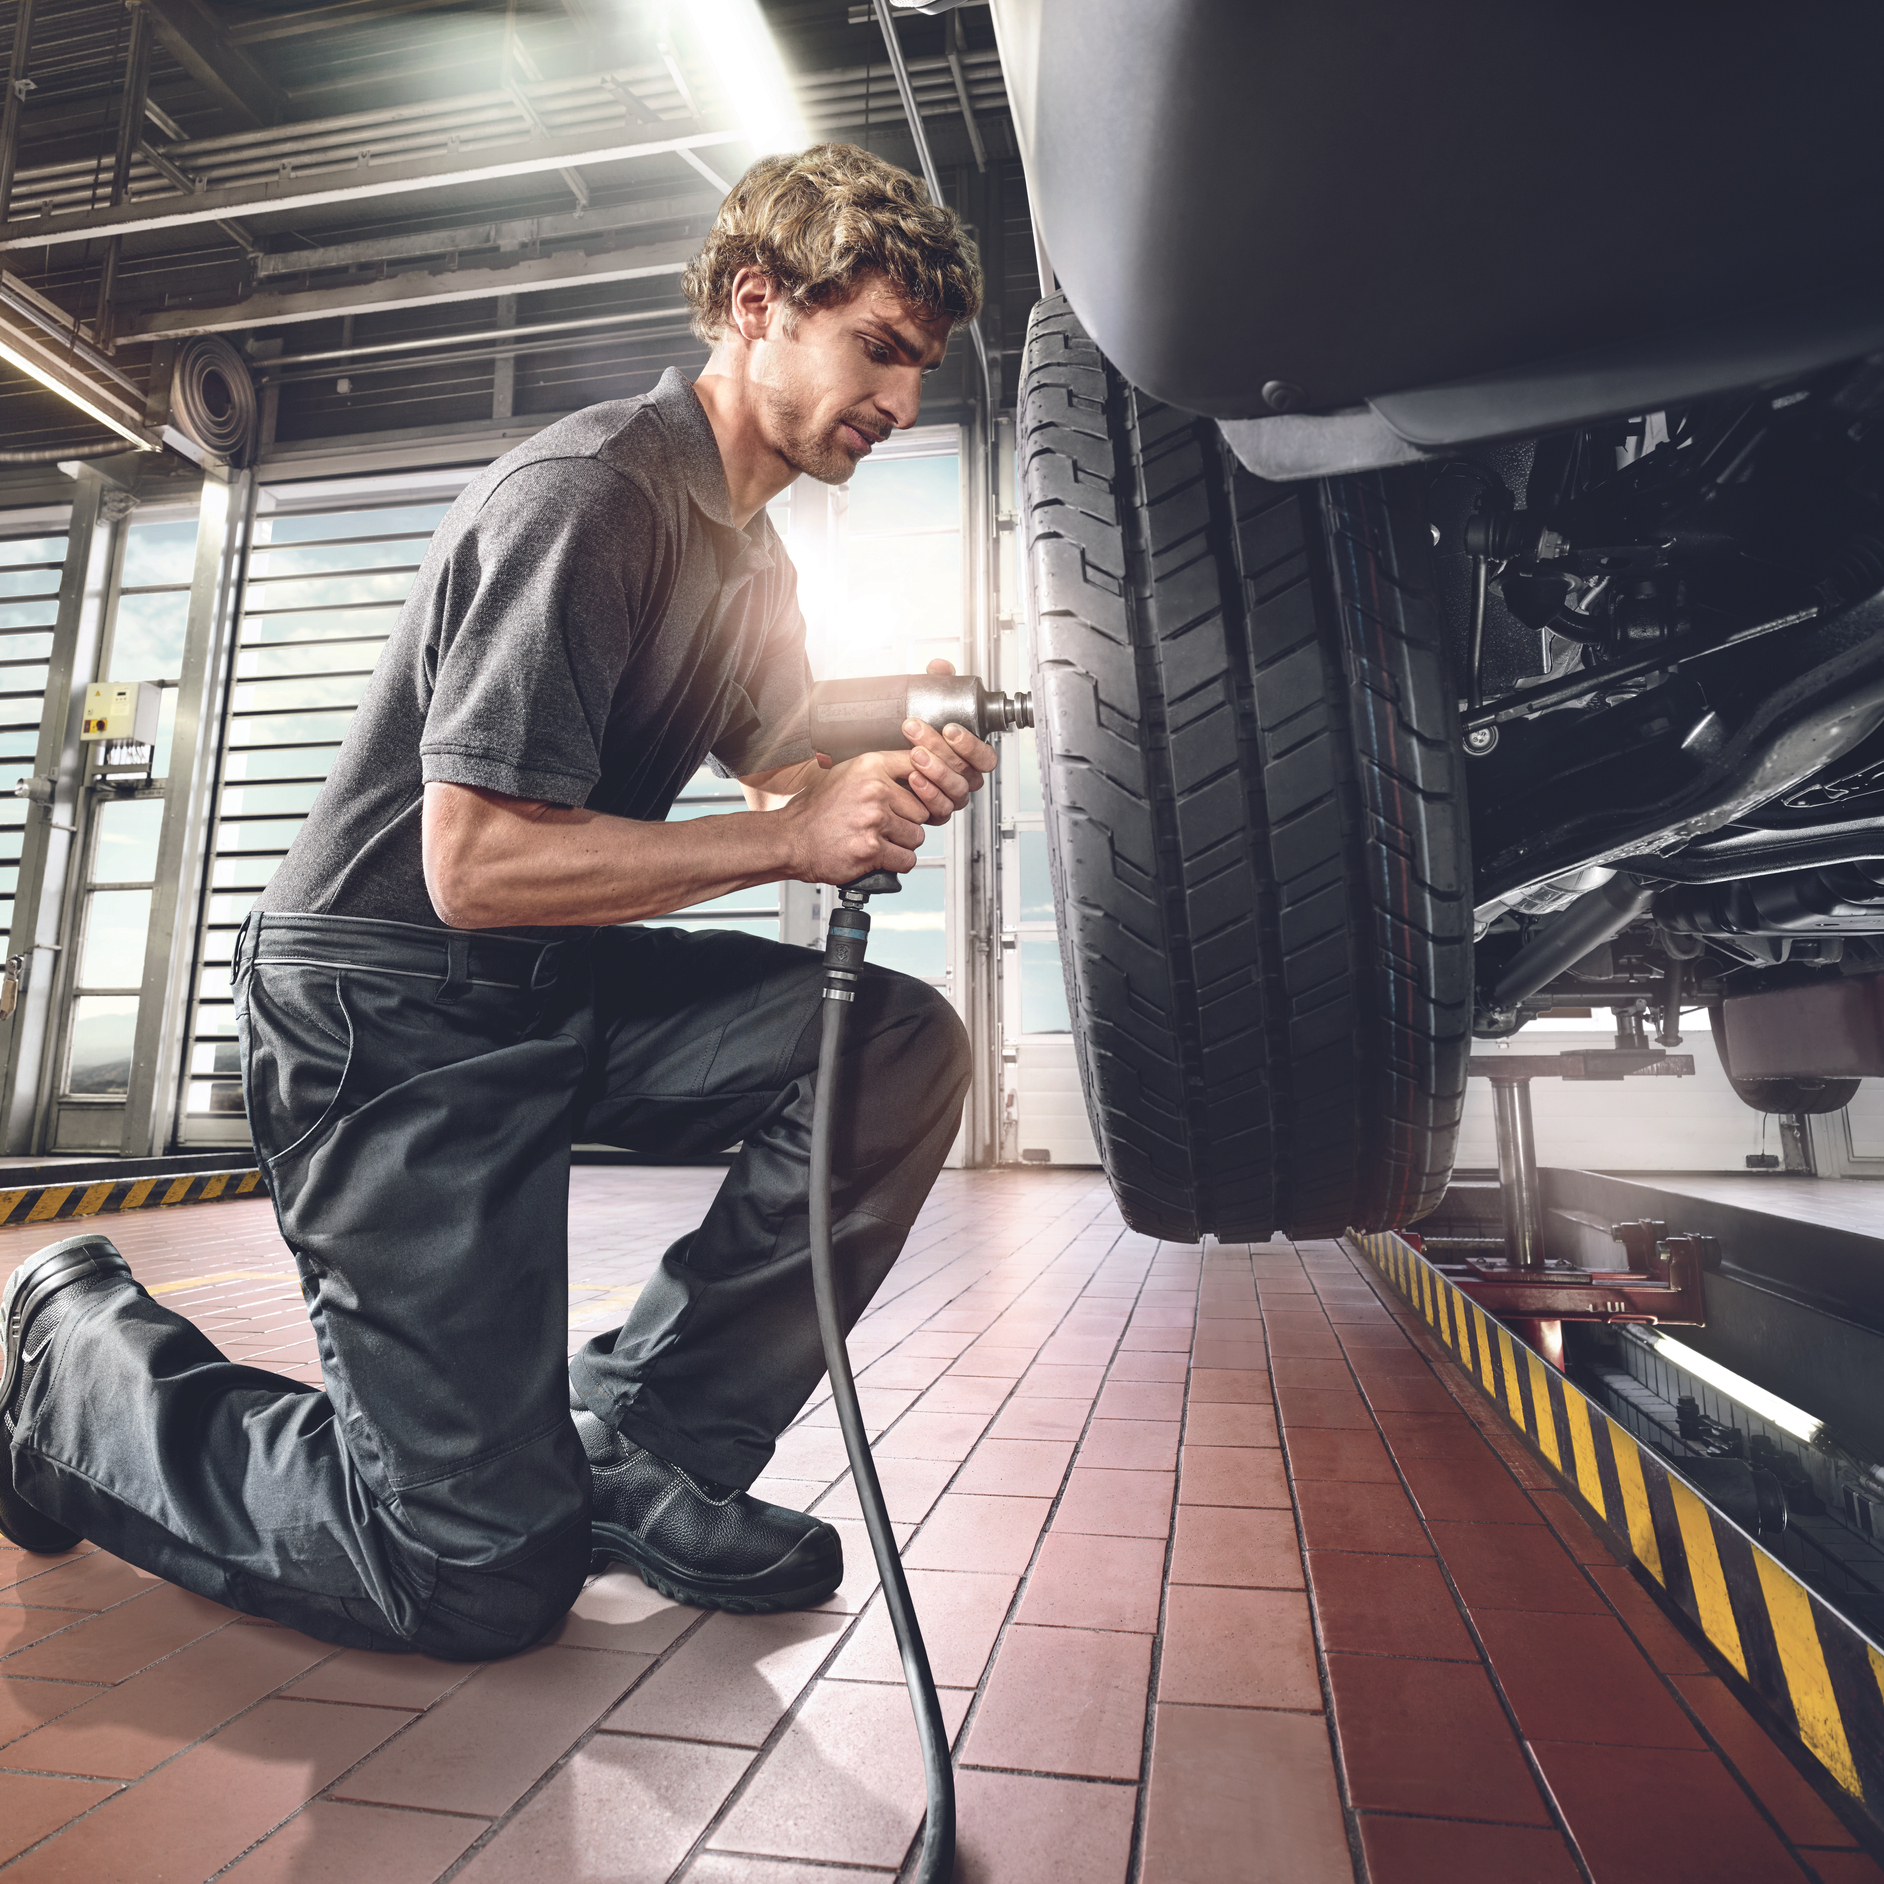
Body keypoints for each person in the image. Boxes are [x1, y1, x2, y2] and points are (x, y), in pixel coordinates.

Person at [0, 144, 990, 1660]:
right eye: (880, 349)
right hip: (385, 1011)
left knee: (896, 1044)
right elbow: (475, 866)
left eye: (918, 368)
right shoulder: (591, 499)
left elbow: (778, 773)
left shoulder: (751, 561)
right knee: (472, 1576)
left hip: (543, 982)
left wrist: (877, 762)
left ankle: (635, 1446)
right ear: (757, 306)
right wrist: (801, 841)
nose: (903, 400)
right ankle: (72, 1364)